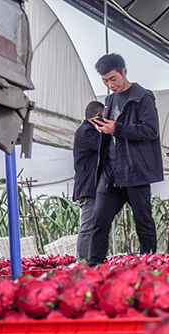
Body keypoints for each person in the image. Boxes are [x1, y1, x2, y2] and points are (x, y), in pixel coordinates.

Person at [88, 53, 163, 265]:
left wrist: (117, 128)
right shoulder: (110, 99)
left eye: (113, 79)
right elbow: (113, 132)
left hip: (135, 170)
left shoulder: (143, 96)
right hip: (112, 172)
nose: (110, 85)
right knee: (99, 221)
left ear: (124, 72)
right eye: (105, 81)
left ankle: (149, 266)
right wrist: (103, 126)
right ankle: (94, 269)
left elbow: (151, 131)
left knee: (143, 223)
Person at [72, 100, 104, 261]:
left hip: (92, 187)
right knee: (87, 228)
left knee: (93, 227)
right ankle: (83, 263)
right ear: (98, 117)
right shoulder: (87, 132)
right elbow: (105, 147)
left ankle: (91, 261)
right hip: (89, 188)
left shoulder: (86, 131)